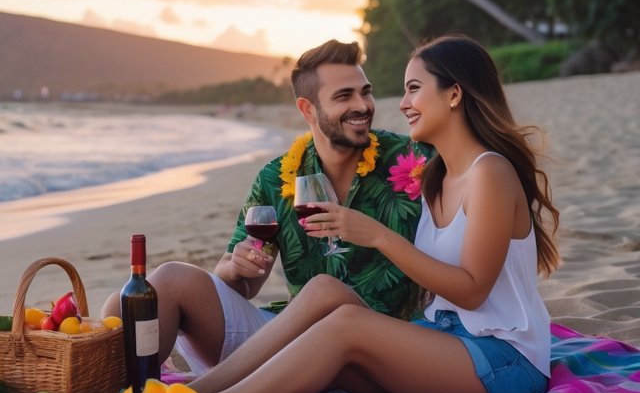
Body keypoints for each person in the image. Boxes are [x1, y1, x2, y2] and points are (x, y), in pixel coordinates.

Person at [189, 34, 560, 393]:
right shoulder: (436, 176)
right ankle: (197, 392)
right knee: (323, 291)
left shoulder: (490, 173)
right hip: (444, 340)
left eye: (414, 90)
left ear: (454, 94)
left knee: (346, 324)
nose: (402, 105)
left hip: (504, 361)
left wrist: (377, 236)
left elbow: (472, 293)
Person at [101, 39, 431, 374]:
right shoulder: (276, 177)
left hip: (379, 345)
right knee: (137, 297)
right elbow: (241, 285)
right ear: (307, 109)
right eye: (344, 96)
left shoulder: (412, 160)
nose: (363, 105)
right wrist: (236, 268)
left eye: (366, 91)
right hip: (290, 337)